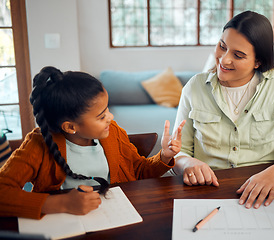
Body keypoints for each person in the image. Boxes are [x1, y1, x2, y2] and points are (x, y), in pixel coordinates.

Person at [171, 11, 274, 209]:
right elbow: (178, 152)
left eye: (238, 55)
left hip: (267, 195)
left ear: (258, 61)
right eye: (222, 46)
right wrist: (188, 164)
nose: (224, 60)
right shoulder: (195, 87)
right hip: (207, 193)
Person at [0, 66, 185, 219]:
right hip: (62, 223)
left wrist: (164, 156)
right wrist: (60, 203)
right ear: (70, 127)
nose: (111, 117)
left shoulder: (113, 133)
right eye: (101, 115)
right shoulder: (38, 145)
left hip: (115, 217)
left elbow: (139, 170)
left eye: (107, 109)